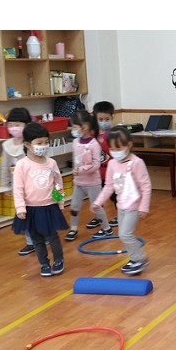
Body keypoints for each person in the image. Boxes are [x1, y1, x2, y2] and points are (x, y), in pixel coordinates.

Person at [91, 126, 151, 275]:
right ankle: (134, 258)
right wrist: (98, 202)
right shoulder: (112, 164)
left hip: (134, 206)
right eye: (112, 148)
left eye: (118, 148)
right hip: (121, 206)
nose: (115, 151)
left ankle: (140, 258)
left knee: (125, 234)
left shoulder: (137, 163)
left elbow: (146, 186)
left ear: (129, 145)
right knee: (123, 234)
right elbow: (109, 186)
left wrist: (144, 207)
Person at [12, 122, 69, 277]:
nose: (43, 146)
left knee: (52, 236)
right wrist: (20, 207)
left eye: (46, 142)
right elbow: (18, 188)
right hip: (31, 209)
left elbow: (58, 183)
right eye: (39, 143)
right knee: (36, 238)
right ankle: (44, 264)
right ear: (27, 144)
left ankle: (58, 260)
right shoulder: (22, 165)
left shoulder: (51, 163)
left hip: (49, 206)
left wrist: (60, 202)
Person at [64, 110, 112, 242]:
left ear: (84, 127)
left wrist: (81, 170)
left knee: (96, 206)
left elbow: (96, 164)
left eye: (74, 127)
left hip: (92, 183)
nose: (72, 130)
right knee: (74, 207)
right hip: (78, 182)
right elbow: (76, 160)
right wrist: (76, 171)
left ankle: (107, 228)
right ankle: (73, 229)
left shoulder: (94, 144)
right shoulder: (75, 142)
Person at [0, 107, 35, 255]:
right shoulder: (8, 145)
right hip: (18, 188)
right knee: (22, 215)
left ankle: (43, 236)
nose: (14, 128)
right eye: (11, 125)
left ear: (26, 125)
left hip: (33, 187)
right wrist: (5, 186)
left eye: (18, 124)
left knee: (37, 214)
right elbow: (4, 167)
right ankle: (30, 242)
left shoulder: (32, 142)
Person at [93, 100, 118, 228]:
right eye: (100, 119)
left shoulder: (114, 135)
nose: (103, 122)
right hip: (98, 173)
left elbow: (115, 153)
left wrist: (103, 143)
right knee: (98, 197)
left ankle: (120, 215)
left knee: (115, 196)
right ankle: (99, 217)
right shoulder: (93, 135)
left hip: (112, 174)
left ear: (112, 117)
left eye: (107, 119)